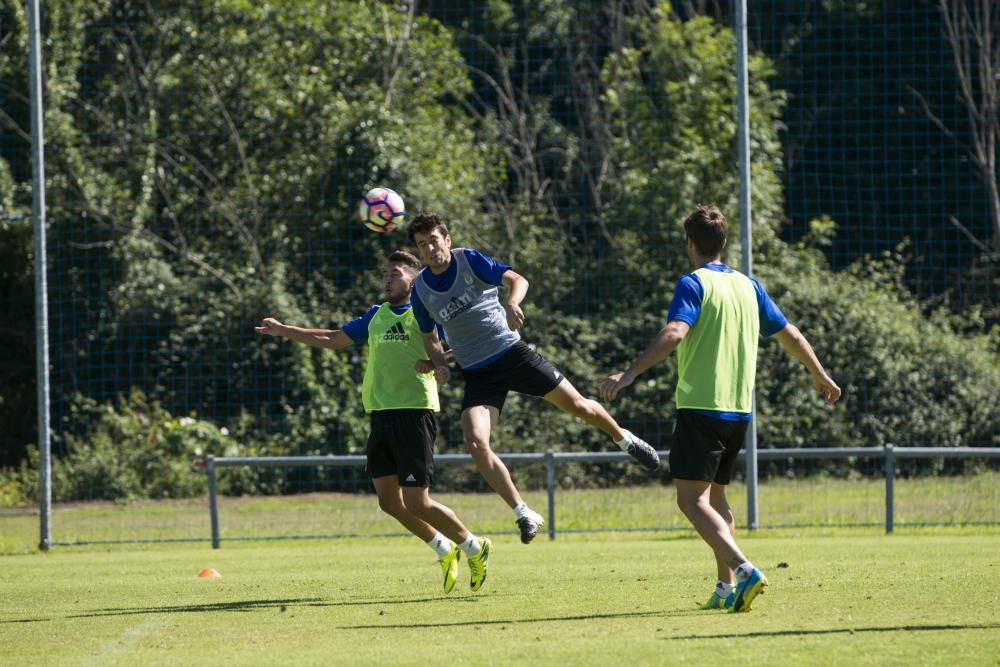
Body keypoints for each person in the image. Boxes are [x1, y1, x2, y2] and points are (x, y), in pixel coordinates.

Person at [600, 204, 841, 613]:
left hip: (701, 406)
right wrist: (819, 374)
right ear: (723, 242)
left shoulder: (693, 284)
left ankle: (744, 569)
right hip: (739, 411)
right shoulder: (749, 286)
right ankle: (725, 588)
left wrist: (628, 374)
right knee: (717, 499)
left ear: (690, 243)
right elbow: (790, 333)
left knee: (690, 501)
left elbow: (676, 331)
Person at [406, 212, 660, 545]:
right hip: (479, 375)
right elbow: (430, 337)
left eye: (433, 241)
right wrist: (439, 363)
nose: (429, 249)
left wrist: (512, 303)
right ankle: (523, 512)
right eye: (422, 245)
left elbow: (518, 279)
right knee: (475, 442)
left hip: (513, 355)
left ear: (447, 240)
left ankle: (624, 439)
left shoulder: (468, 260)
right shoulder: (421, 289)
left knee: (580, 406)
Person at [255, 250, 491, 594]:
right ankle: (443, 549)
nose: (387, 279)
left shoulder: (425, 312)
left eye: (396, 273)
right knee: (388, 502)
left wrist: (438, 361)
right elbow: (333, 338)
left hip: (414, 413)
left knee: (417, 502)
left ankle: (474, 546)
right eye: (385, 273)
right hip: (381, 416)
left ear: (414, 278)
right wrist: (284, 330)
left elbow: (461, 341)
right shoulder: (377, 316)